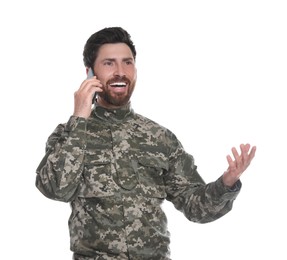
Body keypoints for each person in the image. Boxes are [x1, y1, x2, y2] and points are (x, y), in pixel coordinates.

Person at [35, 27, 256, 260]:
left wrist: (226, 183)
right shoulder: (70, 134)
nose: (120, 72)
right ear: (90, 73)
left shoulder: (160, 138)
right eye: (109, 63)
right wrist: (80, 117)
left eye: (127, 63)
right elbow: (56, 189)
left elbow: (195, 207)